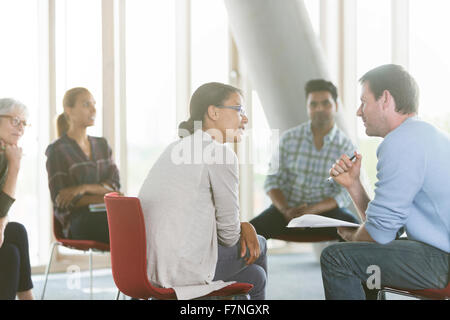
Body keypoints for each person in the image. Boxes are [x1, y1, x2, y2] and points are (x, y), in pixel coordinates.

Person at [321, 64, 450, 300]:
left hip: (443, 262)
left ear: (385, 99)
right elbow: (387, 229)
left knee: (336, 257)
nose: (359, 112)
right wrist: (354, 185)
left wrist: (351, 236)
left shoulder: (401, 142)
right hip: (441, 254)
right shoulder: (423, 135)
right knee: (362, 256)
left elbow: (379, 235)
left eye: (364, 102)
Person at [138, 82, 267, 300]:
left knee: (254, 274)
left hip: (148, 264)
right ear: (213, 112)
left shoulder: (175, 148)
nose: (245, 119)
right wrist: (244, 227)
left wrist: (242, 226)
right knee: (259, 245)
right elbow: (229, 237)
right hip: (179, 269)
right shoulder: (218, 154)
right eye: (239, 110)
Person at [250, 79, 359, 240]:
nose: (319, 108)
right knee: (249, 233)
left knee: (355, 232)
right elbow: (272, 181)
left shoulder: (346, 146)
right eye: (313, 104)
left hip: (325, 214)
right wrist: (287, 210)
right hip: (286, 212)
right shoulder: (289, 139)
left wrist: (311, 211)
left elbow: (344, 193)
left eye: (325, 103)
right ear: (307, 107)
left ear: (335, 105)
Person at [45, 87, 120, 243]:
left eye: (94, 104)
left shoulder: (102, 145)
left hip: (108, 213)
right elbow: (62, 200)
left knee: (137, 222)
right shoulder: (58, 150)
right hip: (78, 221)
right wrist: (102, 194)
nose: (93, 109)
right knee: (122, 228)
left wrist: (82, 189)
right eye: (86, 104)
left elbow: (115, 187)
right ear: (69, 110)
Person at [0, 98, 34, 300]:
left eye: (24, 123)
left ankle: (28, 297)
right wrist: (15, 167)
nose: (20, 128)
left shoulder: (5, 152)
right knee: (10, 252)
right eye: (15, 121)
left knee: (15, 236)